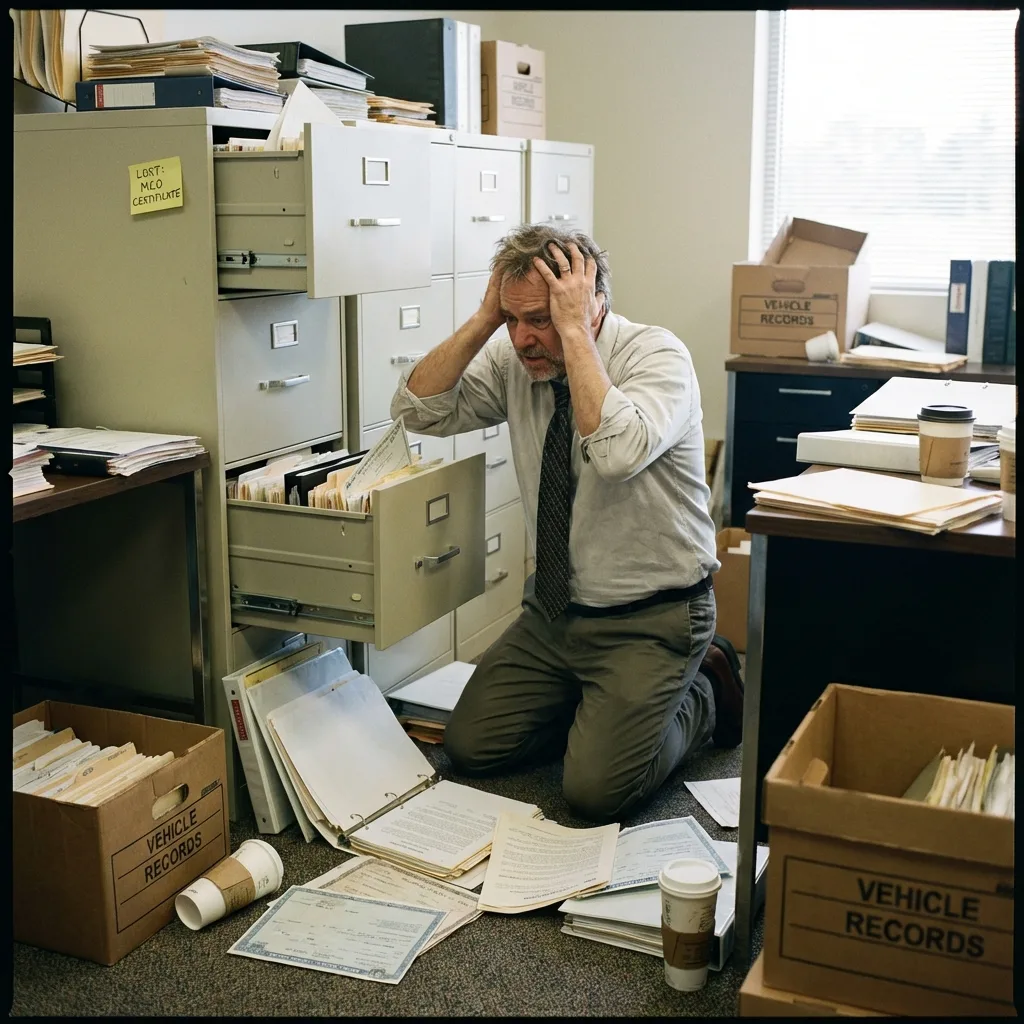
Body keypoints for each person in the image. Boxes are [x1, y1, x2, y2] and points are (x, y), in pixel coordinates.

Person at [390, 224, 744, 822]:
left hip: (651, 618)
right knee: (470, 747)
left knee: (594, 793)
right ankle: (598, 710)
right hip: (555, 615)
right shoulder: (514, 355)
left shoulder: (658, 356)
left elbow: (617, 452)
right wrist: (484, 321)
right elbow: (416, 410)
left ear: (592, 303)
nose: (525, 339)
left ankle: (703, 691)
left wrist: (573, 333)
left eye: (542, 319)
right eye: (514, 318)